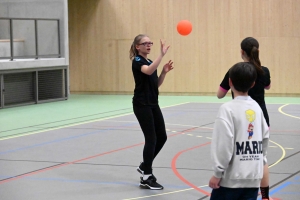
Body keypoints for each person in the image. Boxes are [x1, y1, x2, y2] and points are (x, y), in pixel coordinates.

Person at [217, 37, 272, 200]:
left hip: (239, 119)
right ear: (258, 51)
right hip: (261, 118)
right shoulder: (264, 70)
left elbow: (220, 94)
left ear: (242, 52)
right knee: (262, 157)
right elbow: (268, 86)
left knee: (237, 153)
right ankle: (265, 196)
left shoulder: (235, 70)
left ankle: (235, 188)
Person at [129, 34, 174, 190]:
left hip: (153, 104)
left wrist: (163, 73)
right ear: (137, 46)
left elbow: (155, 83)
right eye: (145, 43)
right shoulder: (137, 61)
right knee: (151, 139)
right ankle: (146, 177)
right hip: (142, 105)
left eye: (150, 43)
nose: (148, 45)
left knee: (162, 136)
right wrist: (161, 55)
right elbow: (147, 71)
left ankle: (144, 165)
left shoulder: (149, 61)